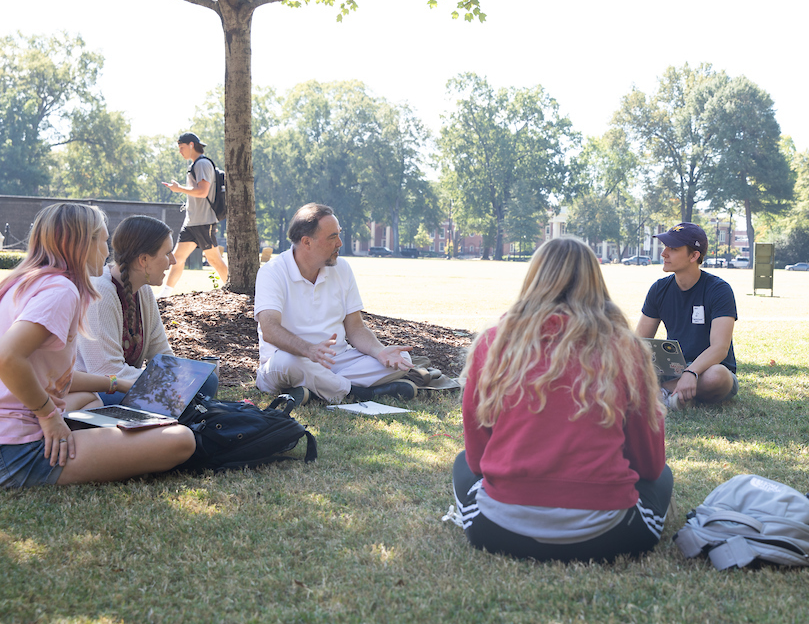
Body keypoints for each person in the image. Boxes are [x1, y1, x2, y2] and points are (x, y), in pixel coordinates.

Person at [453, 237, 671, 563]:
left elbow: (476, 461)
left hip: (499, 530)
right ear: (596, 284)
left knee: (461, 465)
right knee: (663, 476)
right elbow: (650, 465)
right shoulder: (625, 349)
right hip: (609, 533)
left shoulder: (493, 343)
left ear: (533, 279)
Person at [0, 203, 196, 488]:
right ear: (81, 244)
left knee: (90, 399)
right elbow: (4, 357)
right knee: (180, 439)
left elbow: (51, 377)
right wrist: (49, 417)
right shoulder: (61, 291)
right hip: (6, 454)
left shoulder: (20, 283)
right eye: (103, 241)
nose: (107, 251)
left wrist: (117, 384)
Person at [254, 203, 415, 404]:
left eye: (339, 234)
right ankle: (358, 393)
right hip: (289, 359)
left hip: (336, 361)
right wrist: (308, 350)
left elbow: (356, 328)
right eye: (332, 237)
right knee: (288, 362)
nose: (340, 243)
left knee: (401, 360)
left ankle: (313, 390)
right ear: (307, 242)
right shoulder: (272, 272)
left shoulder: (342, 268)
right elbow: (269, 329)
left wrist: (380, 352)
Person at [76, 215, 219, 405]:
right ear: (143, 260)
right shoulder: (100, 291)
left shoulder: (143, 290)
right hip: (101, 390)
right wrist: (171, 382)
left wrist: (178, 378)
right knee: (185, 387)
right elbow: (107, 371)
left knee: (207, 380)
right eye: (167, 253)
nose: (174, 260)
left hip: (129, 382)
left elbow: (162, 356)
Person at [635, 221, 738, 409]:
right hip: (672, 368)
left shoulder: (719, 290)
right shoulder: (659, 289)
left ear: (694, 256)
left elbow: (720, 348)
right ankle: (676, 396)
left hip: (708, 370)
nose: (664, 253)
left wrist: (691, 373)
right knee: (623, 366)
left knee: (718, 376)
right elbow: (640, 341)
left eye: (673, 248)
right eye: (665, 246)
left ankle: (661, 393)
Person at [157, 132, 228, 296]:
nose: (180, 151)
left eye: (182, 147)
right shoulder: (196, 164)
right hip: (192, 222)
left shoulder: (202, 164)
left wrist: (179, 189)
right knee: (177, 258)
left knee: (214, 260)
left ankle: (236, 292)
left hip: (204, 221)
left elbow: (203, 192)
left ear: (191, 145)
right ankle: (164, 295)